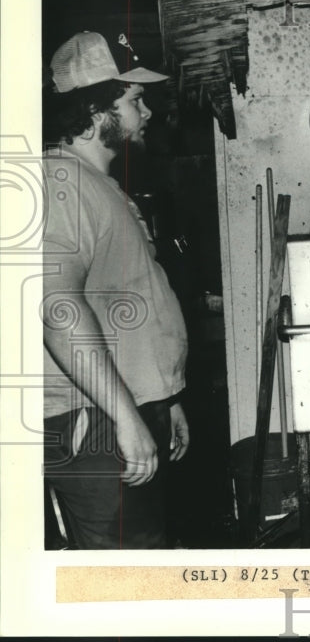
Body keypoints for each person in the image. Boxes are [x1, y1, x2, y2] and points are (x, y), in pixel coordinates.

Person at [41, 31, 189, 549]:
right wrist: (126, 420)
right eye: (134, 100)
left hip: (116, 408)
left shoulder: (96, 184)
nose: (146, 112)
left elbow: (120, 297)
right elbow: (58, 309)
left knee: (142, 559)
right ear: (96, 108)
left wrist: (162, 398)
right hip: (91, 419)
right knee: (126, 576)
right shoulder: (61, 183)